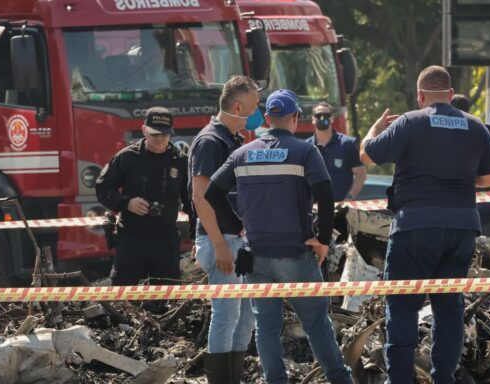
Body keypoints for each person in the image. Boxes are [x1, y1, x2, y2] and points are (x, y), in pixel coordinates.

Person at [360, 66, 490, 383]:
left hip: (415, 228)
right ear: (450, 95)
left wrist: (374, 128)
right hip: (462, 228)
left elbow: (366, 154)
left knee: (403, 308)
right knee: (449, 309)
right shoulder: (476, 126)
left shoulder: (410, 121)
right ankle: (443, 379)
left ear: (420, 96)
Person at [206, 89, 354, 384]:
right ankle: (340, 380)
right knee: (316, 325)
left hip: (256, 256)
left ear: (268, 118)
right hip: (295, 255)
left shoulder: (243, 153)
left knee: (266, 328)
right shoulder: (305, 151)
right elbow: (326, 195)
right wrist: (323, 240)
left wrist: (236, 226)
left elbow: (211, 192)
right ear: (296, 117)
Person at [188, 75, 262, 384]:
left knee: (244, 318)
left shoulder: (232, 140)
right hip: (223, 241)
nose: (257, 113)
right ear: (237, 106)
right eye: (254, 107)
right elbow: (200, 195)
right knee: (227, 315)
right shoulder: (210, 142)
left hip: (235, 240)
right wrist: (217, 243)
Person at [95, 107, 192, 297]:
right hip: (131, 237)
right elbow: (103, 189)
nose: (160, 139)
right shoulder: (127, 157)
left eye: (165, 135)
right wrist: (126, 203)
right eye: (155, 134)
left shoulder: (179, 161)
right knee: (122, 298)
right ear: (144, 130)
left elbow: (192, 201)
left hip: (165, 239)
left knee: (167, 300)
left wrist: (198, 235)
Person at [306, 102, 366, 201]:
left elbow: (361, 174)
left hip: (341, 210)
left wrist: (349, 198)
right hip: (313, 211)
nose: (322, 118)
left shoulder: (347, 144)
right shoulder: (306, 147)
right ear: (313, 119)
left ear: (332, 118)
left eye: (326, 115)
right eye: (318, 115)